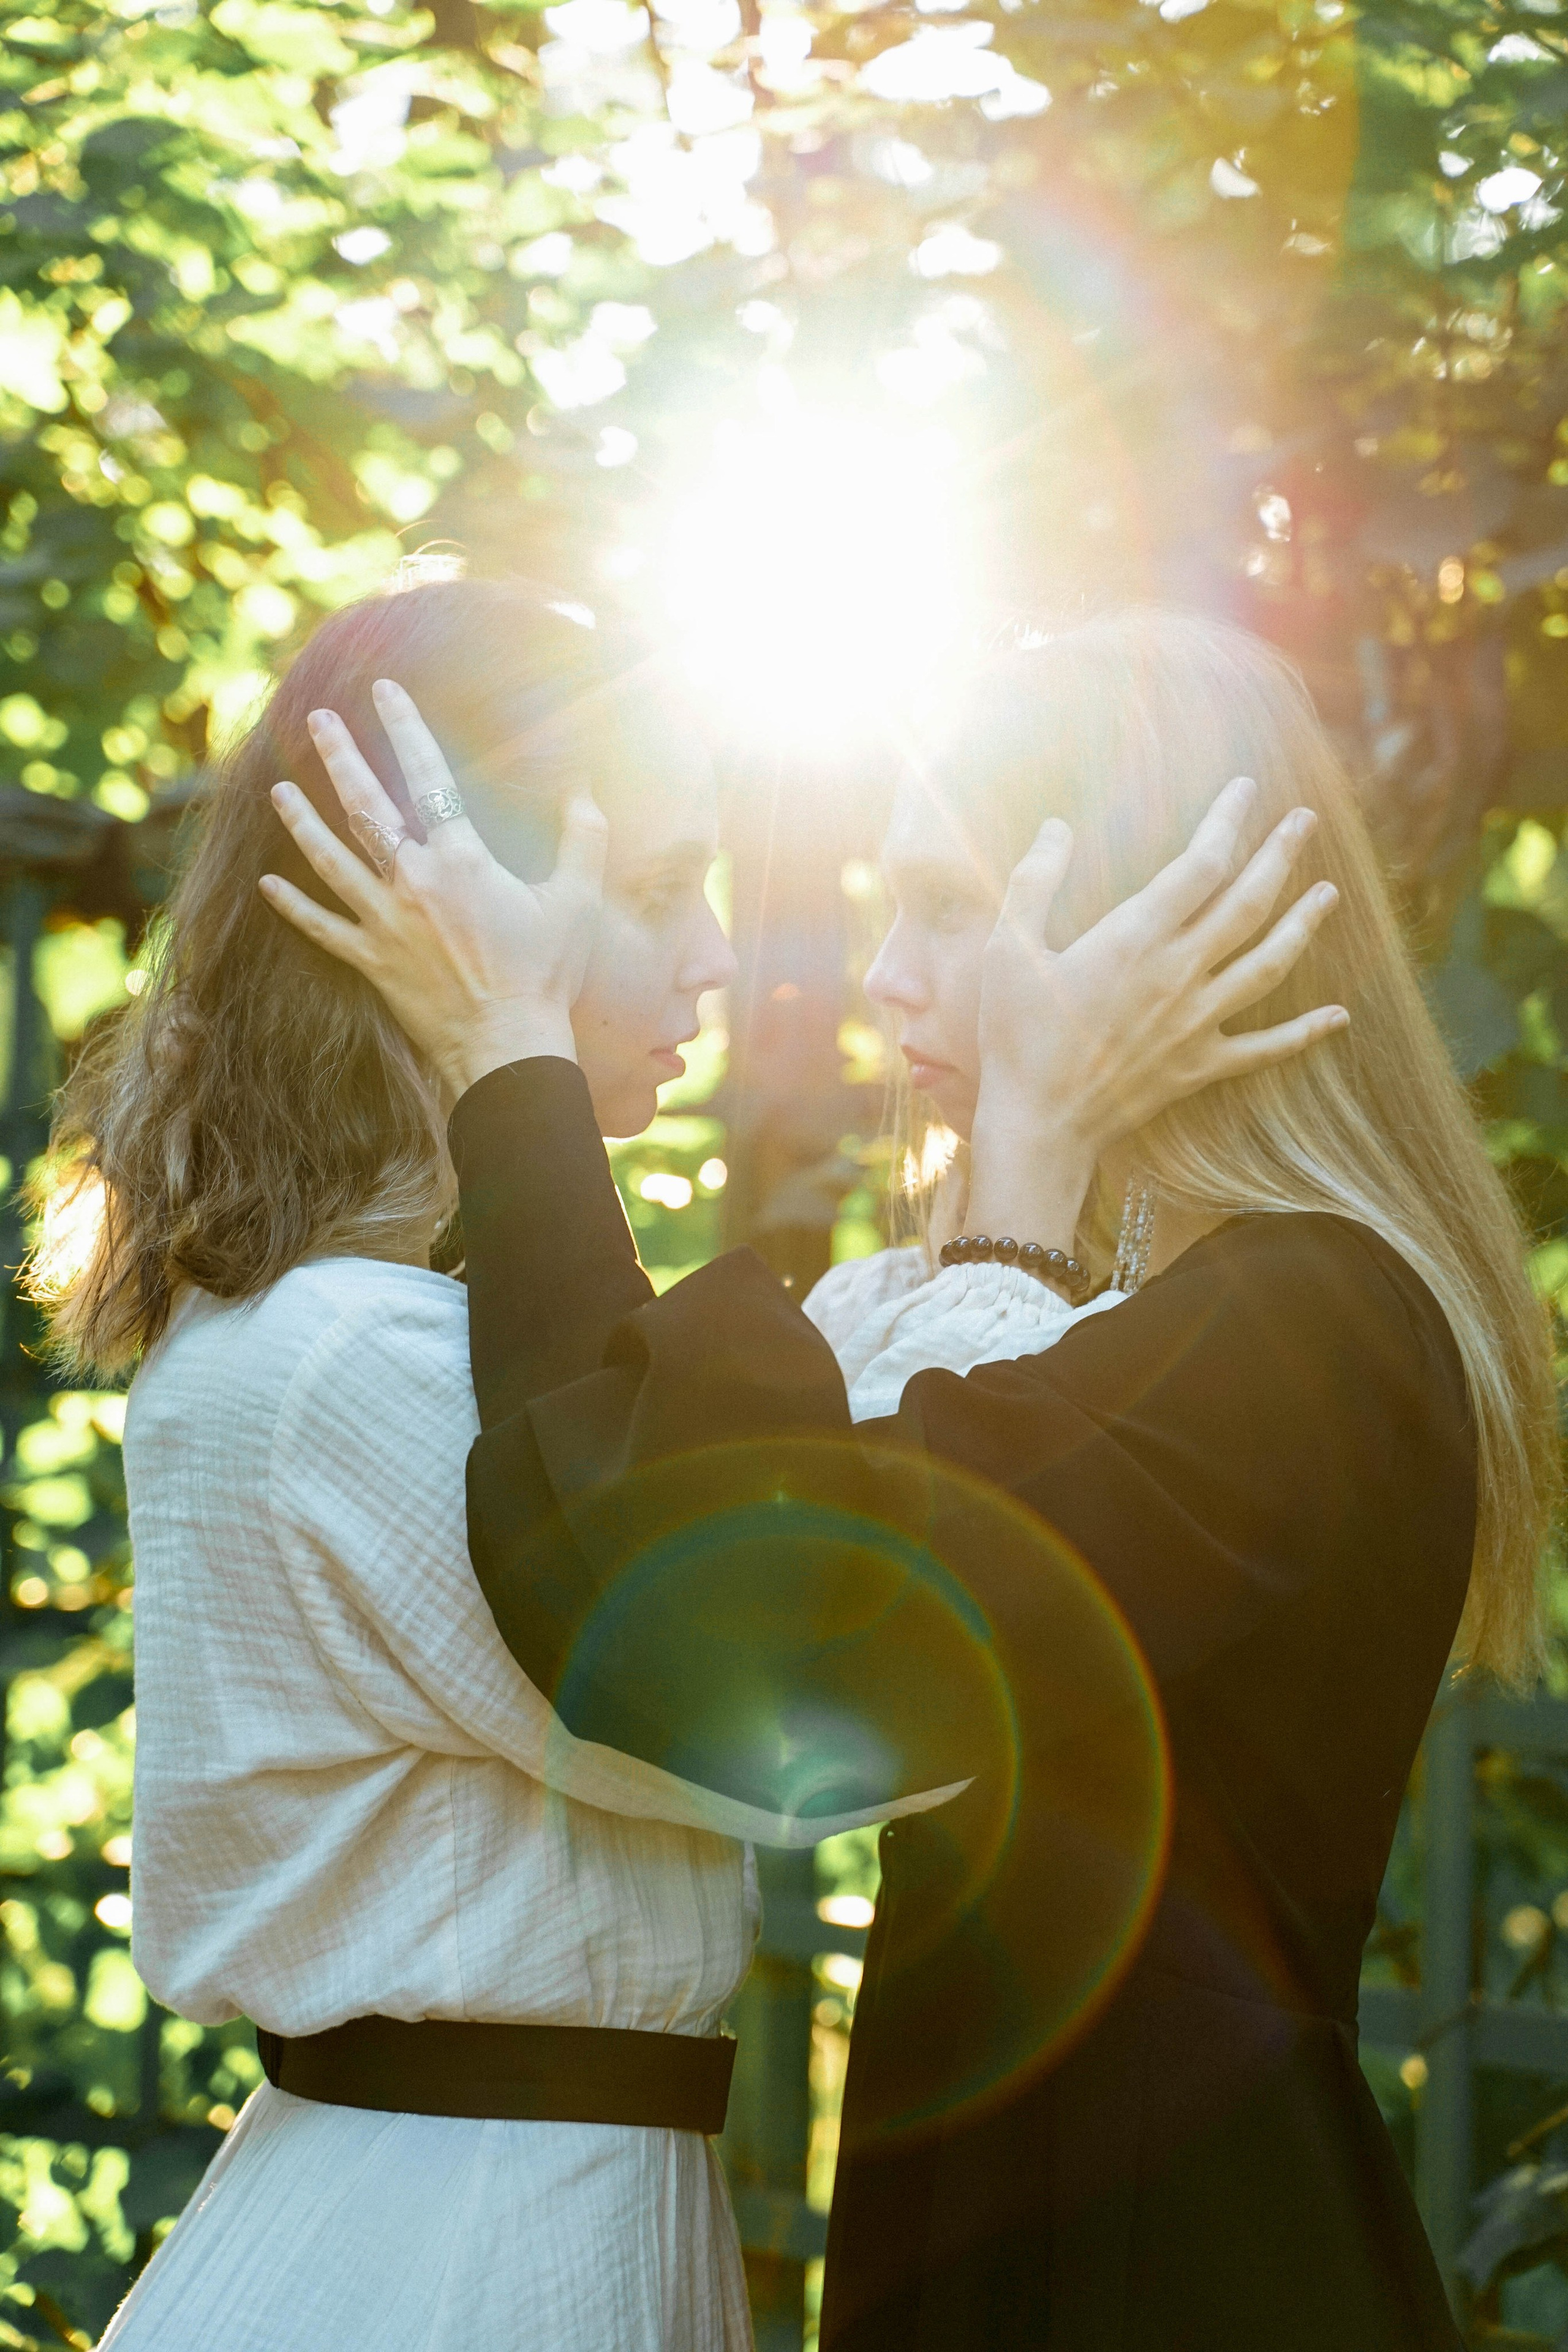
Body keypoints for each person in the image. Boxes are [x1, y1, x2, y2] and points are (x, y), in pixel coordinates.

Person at [261, 605, 1555, 2348]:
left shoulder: (1304, 1327)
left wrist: (516, 1062)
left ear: (1137, 915)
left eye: (948, 912)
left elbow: (717, 1628)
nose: (884, 983)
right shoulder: (1191, 1318)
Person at [29, 576, 975, 2352]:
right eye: (650, 890)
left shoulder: (362, 1336)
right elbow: (811, 1729)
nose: (714, 957)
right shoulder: (343, 1368)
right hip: (453, 2256)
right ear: (448, 910)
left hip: (487, 2221)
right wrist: (1033, 1238)